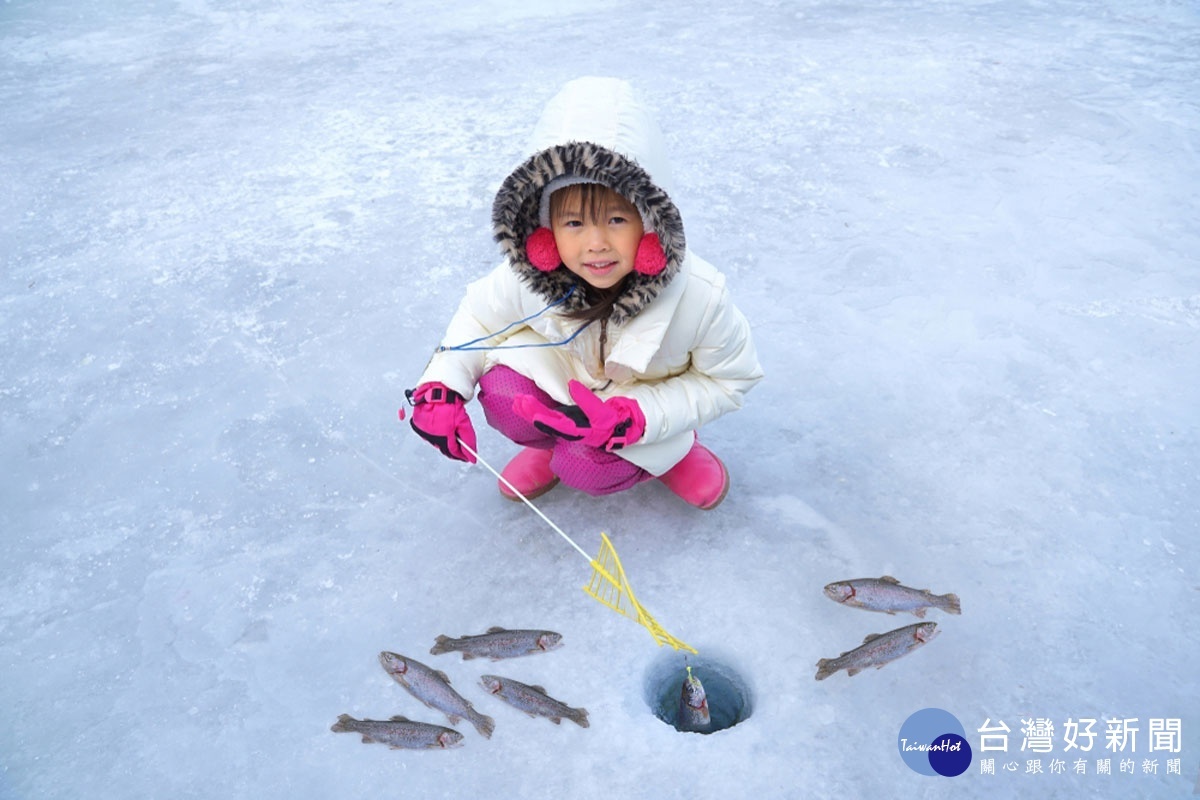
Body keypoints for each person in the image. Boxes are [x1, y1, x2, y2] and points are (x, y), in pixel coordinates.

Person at [405, 77, 762, 510]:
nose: (595, 244)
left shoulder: (700, 297)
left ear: (650, 225)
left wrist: (639, 418)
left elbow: (728, 379)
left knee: (588, 466)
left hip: (643, 418)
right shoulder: (527, 276)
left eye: (615, 220)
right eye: (574, 224)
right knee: (503, 395)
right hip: (568, 391)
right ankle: (549, 446)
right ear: (545, 234)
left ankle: (675, 456)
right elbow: (476, 324)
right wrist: (441, 387)